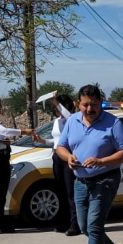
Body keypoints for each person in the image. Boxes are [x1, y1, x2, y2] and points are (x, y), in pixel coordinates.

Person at [55, 85, 123, 244]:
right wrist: (68, 157)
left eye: (94, 104)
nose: (90, 109)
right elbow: (61, 147)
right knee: (83, 227)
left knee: (95, 225)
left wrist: (102, 161)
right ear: (78, 104)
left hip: (105, 179)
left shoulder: (112, 123)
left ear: (100, 103)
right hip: (80, 180)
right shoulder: (72, 121)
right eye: (85, 104)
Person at [0, 94, 40, 237]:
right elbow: (3, 132)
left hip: (2, 159)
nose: (0, 107)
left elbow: (0, 137)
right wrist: (24, 131)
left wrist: (4, 143)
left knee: (1, 194)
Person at [49, 94, 79, 236]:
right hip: (56, 157)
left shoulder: (72, 118)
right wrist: (42, 141)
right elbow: (56, 140)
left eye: (57, 106)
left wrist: (57, 103)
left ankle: (75, 224)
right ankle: (63, 222)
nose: (55, 108)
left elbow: (70, 116)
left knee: (70, 192)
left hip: (67, 156)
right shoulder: (57, 121)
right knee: (60, 191)